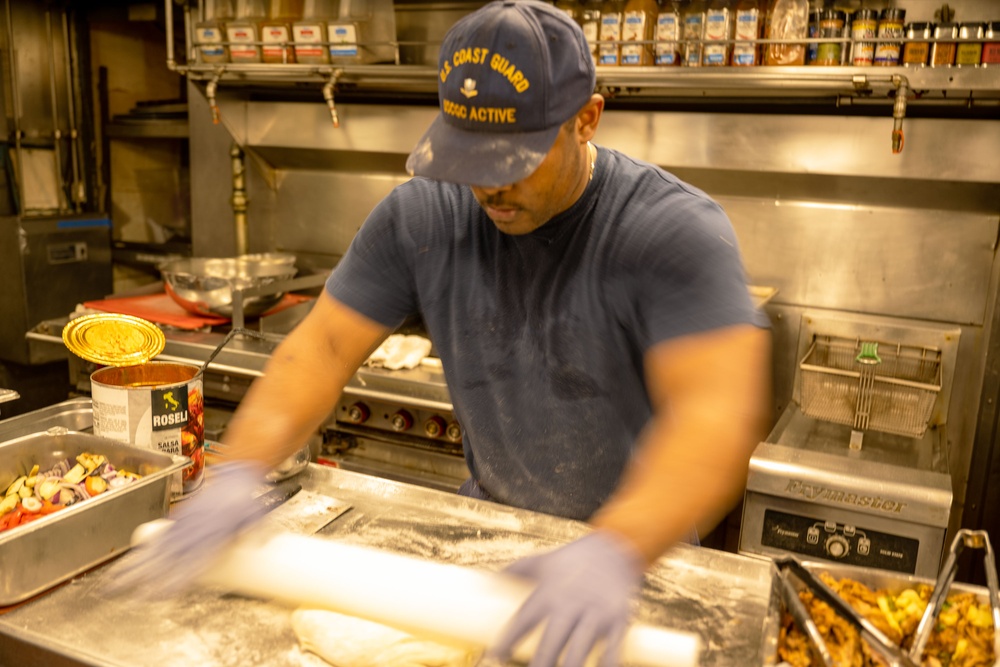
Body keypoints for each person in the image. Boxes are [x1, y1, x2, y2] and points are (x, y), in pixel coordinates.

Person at [112, 1, 772, 665]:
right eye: (471, 157)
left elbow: (714, 419)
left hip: (639, 565)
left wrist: (615, 548)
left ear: (587, 118)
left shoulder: (668, 230)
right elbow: (323, 347)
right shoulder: (424, 215)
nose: (490, 186)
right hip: (488, 541)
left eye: (516, 158)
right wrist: (240, 468)